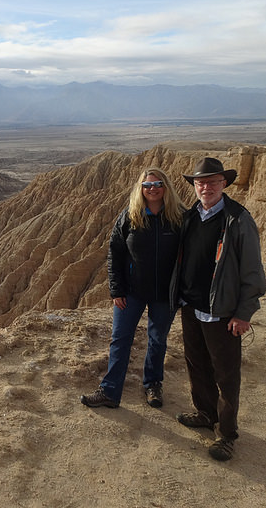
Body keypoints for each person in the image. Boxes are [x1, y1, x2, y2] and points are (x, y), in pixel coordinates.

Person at [170, 157, 266, 462]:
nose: (206, 187)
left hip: (222, 312)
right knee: (196, 364)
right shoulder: (190, 217)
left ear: (224, 184)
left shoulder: (238, 220)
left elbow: (252, 272)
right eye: (201, 182)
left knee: (226, 375)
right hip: (191, 306)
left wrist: (243, 313)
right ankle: (205, 413)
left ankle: (226, 435)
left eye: (212, 181)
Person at [81, 167, 185, 409]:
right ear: (140, 189)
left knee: (158, 340)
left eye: (158, 184)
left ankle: (152, 385)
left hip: (164, 295)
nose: (153, 189)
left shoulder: (179, 217)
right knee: (120, 339)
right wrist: (117, 290)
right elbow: (114, 254)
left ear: (166, 187)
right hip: (131, 292)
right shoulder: (130, 216)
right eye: (147, 185)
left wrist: (183, 290)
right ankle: (110, 391)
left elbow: (190, 256)